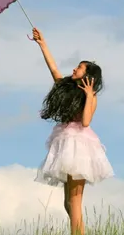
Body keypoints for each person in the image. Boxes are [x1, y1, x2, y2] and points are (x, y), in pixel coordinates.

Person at [32, 27, 114, 235]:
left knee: (75, 202)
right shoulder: (69, 90)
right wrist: (43, 44)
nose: (75, 69)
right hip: (66, 143)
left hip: (80, 147)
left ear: (88, 76)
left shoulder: (91, 97)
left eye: (80, 68)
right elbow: (54, 71)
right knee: (69, 203)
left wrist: (88, 95)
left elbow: (86, 121)